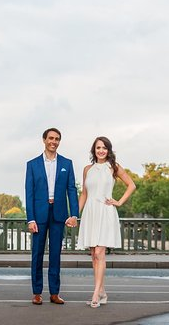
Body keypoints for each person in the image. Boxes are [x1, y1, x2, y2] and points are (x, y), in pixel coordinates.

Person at [77, 136, 136, 308]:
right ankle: (102, 291)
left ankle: (96, 293)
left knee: (100, 253)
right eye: (98, 148)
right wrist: (74, 214)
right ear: (93, 150)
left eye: (104, 148)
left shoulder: (114, 167)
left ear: (108, 150)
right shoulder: (87, 169)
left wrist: (119, 201)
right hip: (90, 212)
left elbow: (131, 185)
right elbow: (84, 194)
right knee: (93, 255)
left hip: (105, 211)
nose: (101, 150)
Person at [25, 128, 79, 305]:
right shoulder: (32, 164)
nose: (53, 141)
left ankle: (55, 293)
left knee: (56, 254)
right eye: (50, 138)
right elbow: (29, 193)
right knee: (37, 254)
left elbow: (72, 189)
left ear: (59, 142)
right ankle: (37, 292)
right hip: (39, 215)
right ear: (44, 140)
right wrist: (30, 219)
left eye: (57, 139)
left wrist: (74, 214)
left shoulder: (67, 163)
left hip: (59, 214)